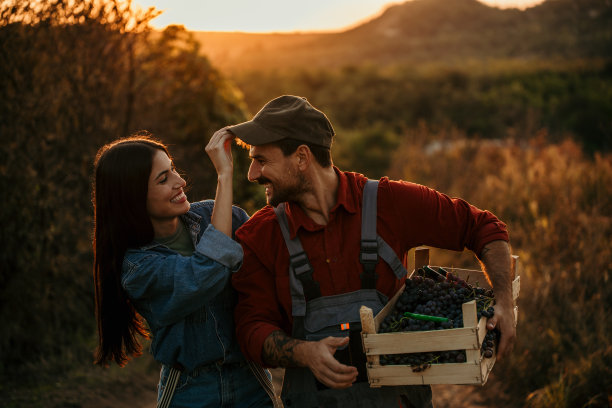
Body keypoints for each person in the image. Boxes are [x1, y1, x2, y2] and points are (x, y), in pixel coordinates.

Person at [228, 95, 517, 408]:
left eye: (261, 160)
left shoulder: (389, 203)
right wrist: (303, 352)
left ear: (301, 157)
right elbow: (251, 328)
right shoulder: (260, 235)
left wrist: (504, 302)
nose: (252, 175)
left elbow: (484, 228)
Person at [92, 130, 275, 407]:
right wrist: (224, 176)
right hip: (191, 390)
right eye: (163, 179)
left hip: (249, 379)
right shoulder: (138, 266)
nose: (181, 182)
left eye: (173, 169)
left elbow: (274, 264)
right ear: (133, 197)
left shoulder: (217, 215)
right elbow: (205, 273)